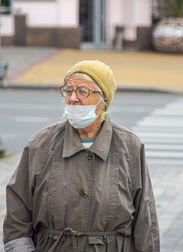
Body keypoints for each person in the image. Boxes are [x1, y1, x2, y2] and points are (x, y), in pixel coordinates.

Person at [3, 60, 160, 252]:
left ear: (103, 101)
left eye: (82, 91)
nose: (73, 98)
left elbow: (146, 219)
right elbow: (17, 212)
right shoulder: (41, 143)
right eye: (68, 90)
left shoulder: (129, 146)